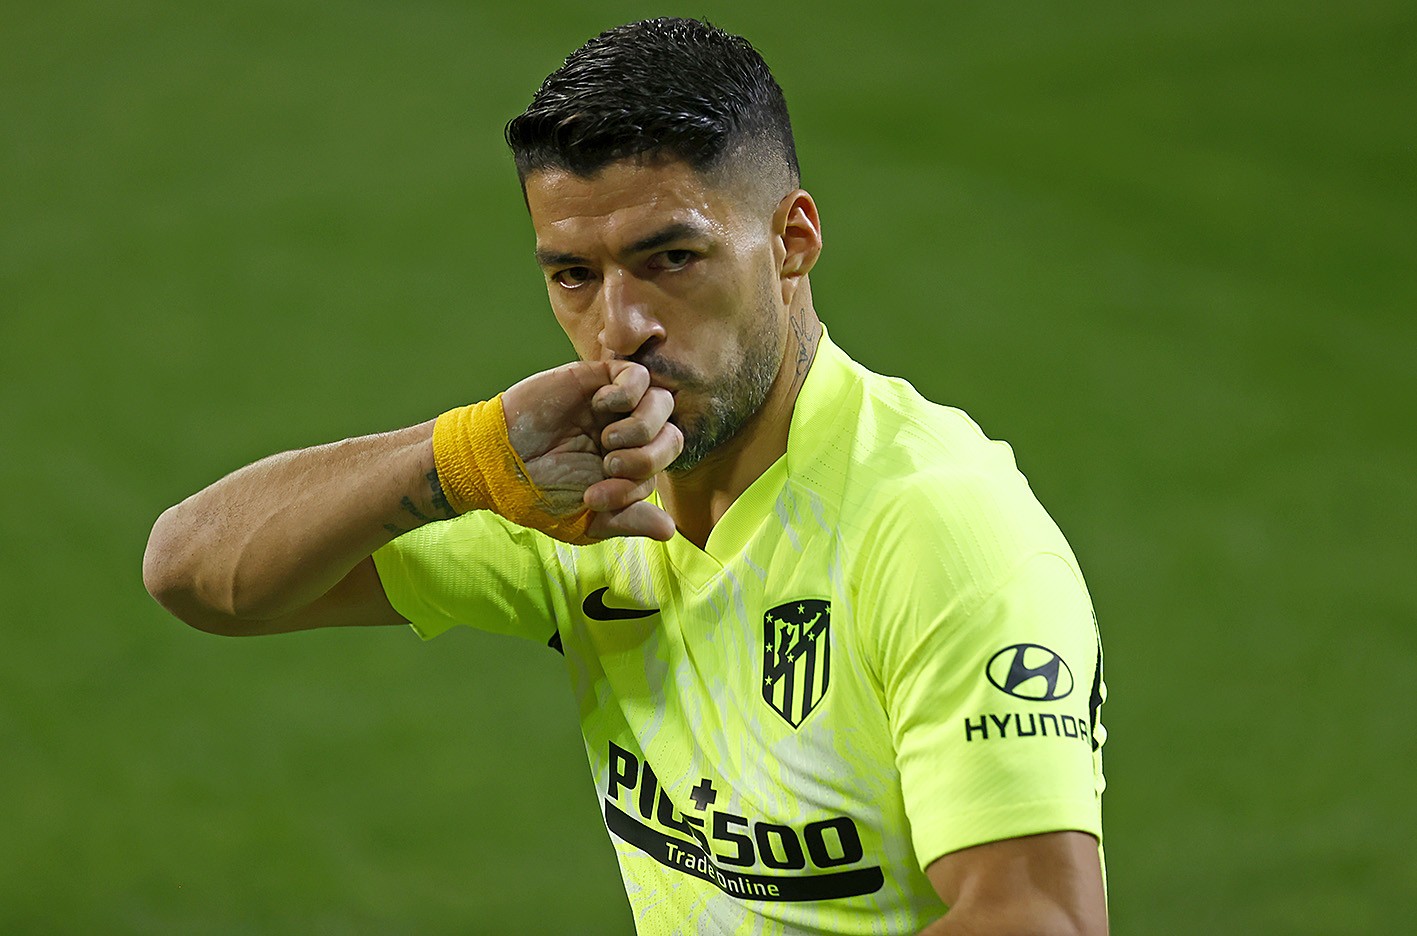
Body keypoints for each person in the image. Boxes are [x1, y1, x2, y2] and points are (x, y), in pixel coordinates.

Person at [143, 17, 1108, 936]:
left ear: (791, 240)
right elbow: (195, 575)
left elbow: (1040, 918)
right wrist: (465, 461)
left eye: (671, 259)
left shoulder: (936, 526)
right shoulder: (577, 494)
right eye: (573, 275)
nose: (619, 328)